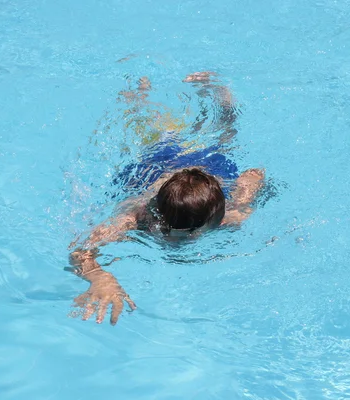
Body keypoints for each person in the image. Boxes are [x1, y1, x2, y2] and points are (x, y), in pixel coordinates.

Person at [68, 72, 265, 325]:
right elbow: (80, 250)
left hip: (204, 172)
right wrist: (100, 278)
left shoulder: (230, 215)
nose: (173, 240)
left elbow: (254, 174)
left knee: (226, 136)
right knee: (154, 132)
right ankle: (138, 96)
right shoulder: (134, 218)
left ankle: (222, 99)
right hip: (157, 168)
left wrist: (244, 199)